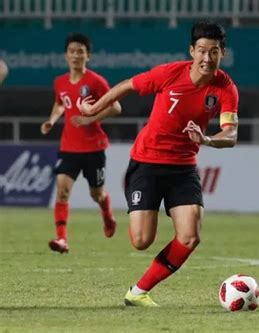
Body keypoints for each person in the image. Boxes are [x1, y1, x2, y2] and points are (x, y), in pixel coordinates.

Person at [73, 21, 239, 307]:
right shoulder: (170, 73)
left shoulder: (225, 88)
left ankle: (138, 292)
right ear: (192, 51)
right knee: (141, 240)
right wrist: (93, 107)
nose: (207, 58)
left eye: (214, 52)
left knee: (189, 237)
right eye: (201, 51)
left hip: (183, 167)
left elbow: (231, 134)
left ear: (222, 53)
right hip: (147, 161)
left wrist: (207, 139)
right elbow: (127, 86)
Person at [41, 33, 121, 254]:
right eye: (72, 51)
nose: (76, 55)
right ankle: (62, 240)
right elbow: (60, 104)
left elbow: (116, 108)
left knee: (97, 194)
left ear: (88, 56)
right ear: (66, 56)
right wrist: (51, 120)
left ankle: (107, 217)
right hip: (69, 147)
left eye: (80, 51)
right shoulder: (60, 82)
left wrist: (89, 118)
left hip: (94, 148)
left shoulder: (96, 81)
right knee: (62, 191)